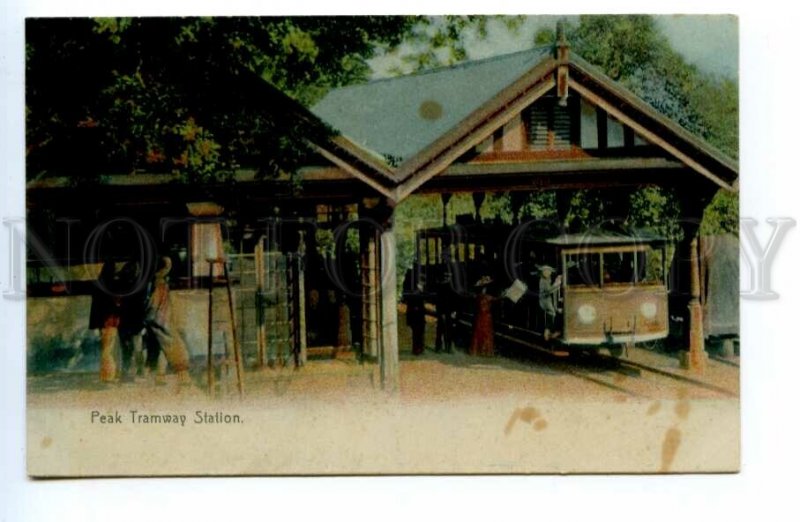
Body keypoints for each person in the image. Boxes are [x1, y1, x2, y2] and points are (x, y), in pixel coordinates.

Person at [142, 256, 191, 383]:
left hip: (158, 320)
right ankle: (166, 374)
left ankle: (161, 374)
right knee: (165, 343)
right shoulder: (159, 284)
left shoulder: (156, 283)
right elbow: (155, 306)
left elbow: (153, 307)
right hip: (160, 320)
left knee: (162, 344)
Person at [89, 259, 122, 382]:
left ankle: (105, 375)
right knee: (109, 349)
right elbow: (116, 304)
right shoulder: (113, 285)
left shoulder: (98, 284)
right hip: (111, 320)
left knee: (105, 348)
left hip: (101, 321)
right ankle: (109, 375)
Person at [469, 275, 495, 357]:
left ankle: (479, 350)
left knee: (479, 332)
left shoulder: (479, 295)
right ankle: (484, 351)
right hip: (484, 315)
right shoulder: (484, 296)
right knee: (485, 333)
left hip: (481, 316)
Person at [538, 265, 562, 341]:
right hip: (545, 300)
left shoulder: (547, 279)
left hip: (546, 299)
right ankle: (548, 332)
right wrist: (556, 284)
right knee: (552, 313)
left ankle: (548, 332)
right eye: (546, 271)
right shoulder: (543, 280)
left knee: (552, 313)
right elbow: (549, 291)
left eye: (549, 271)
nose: (548, 273)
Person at [434, 272, 456, 353]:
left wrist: (454, 311)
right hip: (443, 312)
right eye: (446, 277)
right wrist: (441, 312)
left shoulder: (451, 287)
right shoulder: (441, 287)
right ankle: (438, 347)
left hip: (449, 313)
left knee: (449, 330)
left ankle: (448, 348)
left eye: (449, 277)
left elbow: (453, 301)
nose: (448, 278)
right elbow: (439, 302)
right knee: (440, 330)